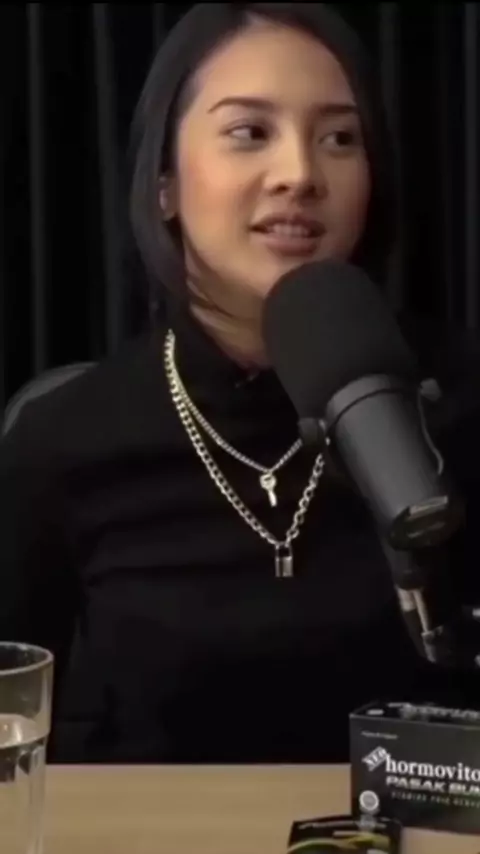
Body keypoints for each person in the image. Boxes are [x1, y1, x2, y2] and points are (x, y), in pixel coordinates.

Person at [1, 2, 479, 765]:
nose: (300, 174)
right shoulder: (62, 439)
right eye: (250, 132)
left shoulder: (458, 399)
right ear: (165, 182)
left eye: (340, 139)